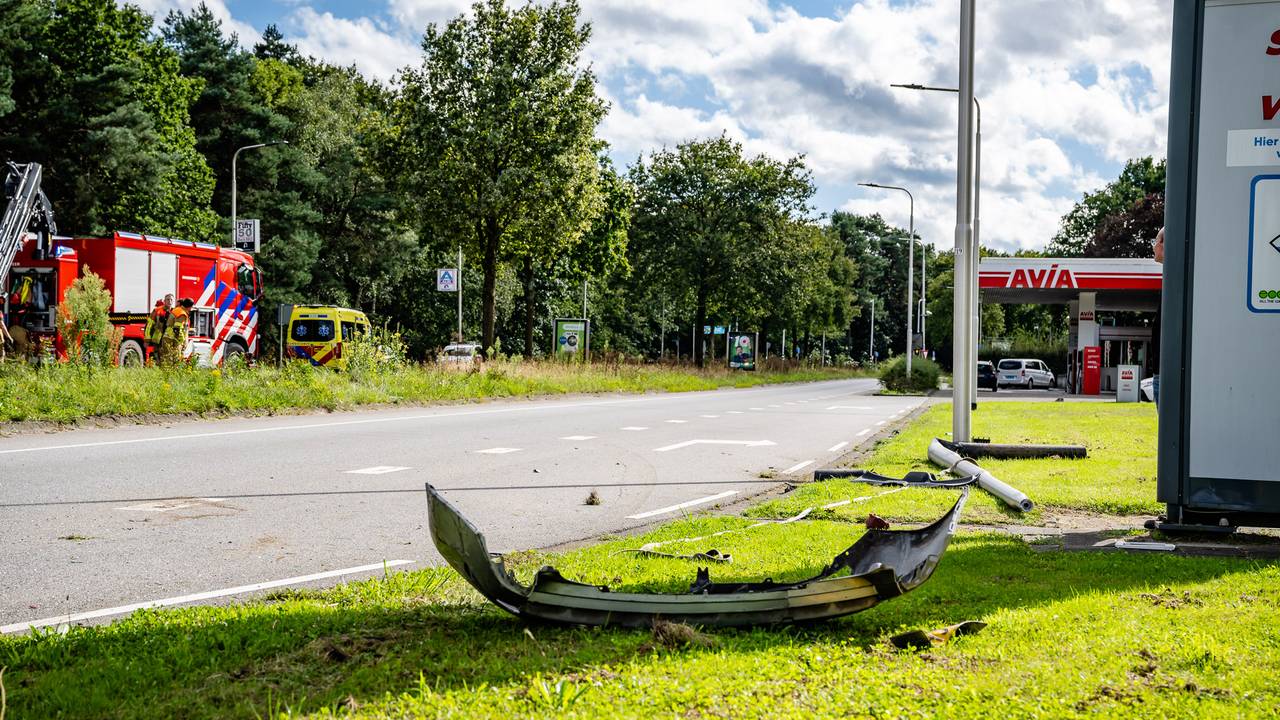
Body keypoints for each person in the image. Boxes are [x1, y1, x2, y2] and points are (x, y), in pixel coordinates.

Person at [1153, 227, 1164, 407]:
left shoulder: (1177, 280)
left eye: (1155, 242)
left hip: (1165, 375)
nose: (1153, 247)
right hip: (1161, 373)